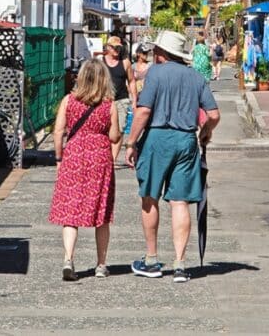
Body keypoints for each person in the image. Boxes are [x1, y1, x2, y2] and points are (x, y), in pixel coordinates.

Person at [125, 30, 220, 283]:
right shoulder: (196, 77)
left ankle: (152, 260)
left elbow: (144, 111)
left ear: (162, 54)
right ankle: (180, 264)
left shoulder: (154, 73)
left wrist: (131, 142)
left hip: (157, 138)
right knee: (180, 202)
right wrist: (205, 134)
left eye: (156, 51)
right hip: (187, 139)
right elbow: (213, 115)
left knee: (150, 196)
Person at [48, 58, 120, 281]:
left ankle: (68, 259)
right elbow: (115, 136)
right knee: (102, 214)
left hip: (74, 156)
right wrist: (111, 154)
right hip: (100, 158)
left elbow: (58, 132)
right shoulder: (109, 105)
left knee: (71, 212)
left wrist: (59, 158)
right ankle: (101, 264)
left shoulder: (69, 101)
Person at [102, 37, 136, 164]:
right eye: (114, 47)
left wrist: (134, 100)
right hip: (104, 100)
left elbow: (131, 81)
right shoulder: (101, 62)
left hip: (121, 100)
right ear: (108, 48)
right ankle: (105, 157)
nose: (117, 50)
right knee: (105, 130)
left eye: (119, 48)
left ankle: (111, 160)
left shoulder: (125, 62)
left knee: (119, 130)